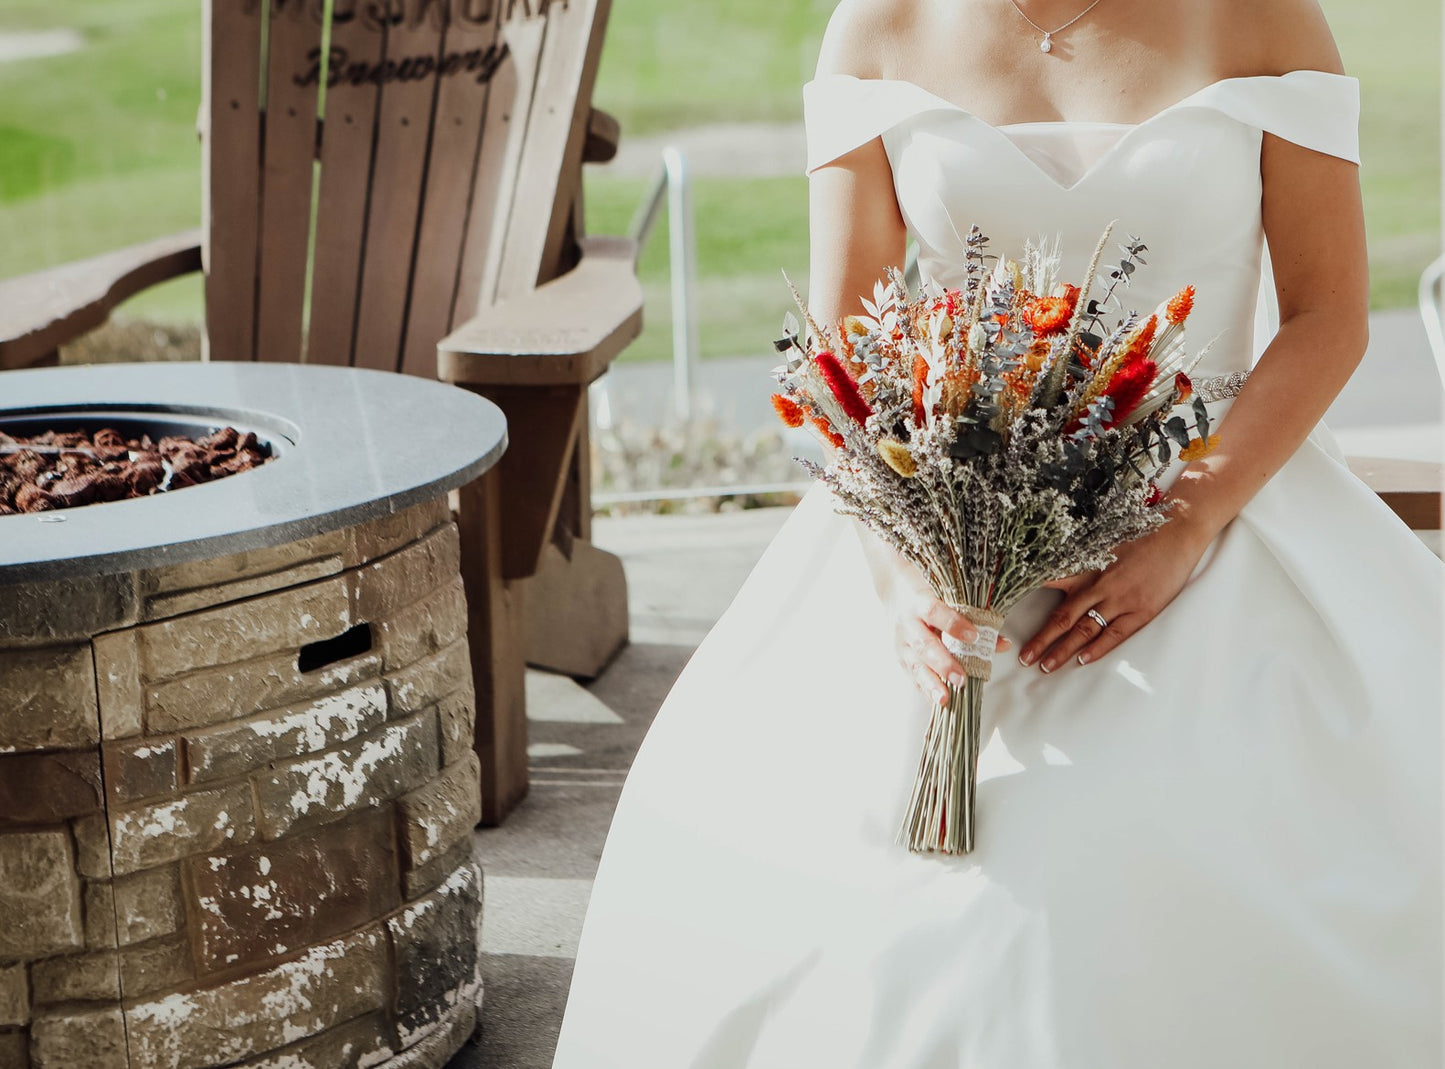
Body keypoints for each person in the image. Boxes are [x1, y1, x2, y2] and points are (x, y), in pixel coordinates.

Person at [551, 0, 1444, 1064]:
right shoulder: (874, 29)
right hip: (945, 506)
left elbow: (1325, 316)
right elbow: (840, 346)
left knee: (1140, 841)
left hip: (1214, 487)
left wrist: (1187, 520)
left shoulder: (1264, 18)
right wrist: (911, 570)